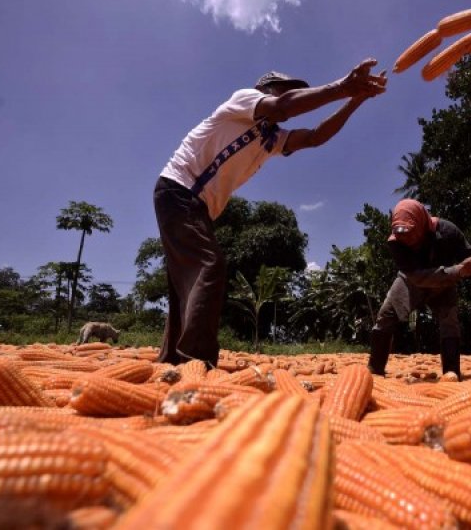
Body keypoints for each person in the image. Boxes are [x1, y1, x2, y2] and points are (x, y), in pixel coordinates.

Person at [154, 59, 387, 368]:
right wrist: (342, 87)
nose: (289, 97)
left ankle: (171, 361)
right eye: (284, 91)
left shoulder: (270, 140)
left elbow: (315, 136)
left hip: (194, 205)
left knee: (186, 283)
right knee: (210, 266)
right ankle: (195, 362)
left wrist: (353, 101)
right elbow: (282, 108)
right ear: (266, 90)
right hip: (179, 189)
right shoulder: (244, 99)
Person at [368, 199, 471, 379]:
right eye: (402, 236)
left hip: (444, 283)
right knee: (386, 316)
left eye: (411, 233)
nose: (407, 240)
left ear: (421, 222)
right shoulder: (396, 242)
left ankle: (451, 371)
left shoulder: (448, 232)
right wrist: (459, 270)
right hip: (412, 281)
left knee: (450, 323)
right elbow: (417, 276)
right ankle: (375, 368)